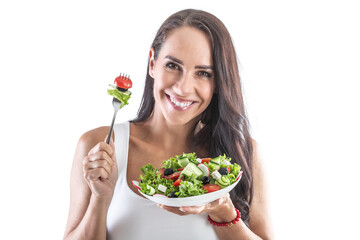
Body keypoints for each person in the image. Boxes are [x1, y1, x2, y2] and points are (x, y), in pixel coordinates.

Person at [64, 9, 273, 240]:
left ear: (218, 83)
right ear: (152, 62)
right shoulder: (100, 146)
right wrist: (100, 199)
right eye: (173, 66)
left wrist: (223, 211)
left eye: (203, 73)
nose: (183, 88)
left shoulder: (244, 153)